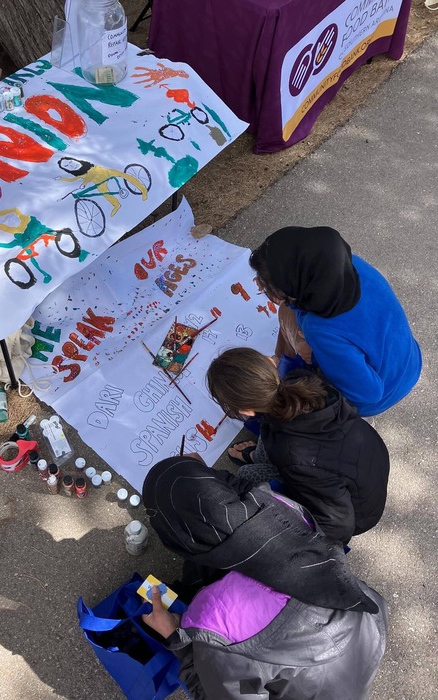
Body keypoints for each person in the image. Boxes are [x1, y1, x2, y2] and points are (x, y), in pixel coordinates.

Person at [142, 457, 388, 700]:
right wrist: (204, 477)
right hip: (363, 649)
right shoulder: (291, 515)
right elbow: (249, 494)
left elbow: (218, 694)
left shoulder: (212, 620)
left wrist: (177, 638)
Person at [207, 347, 390, 543]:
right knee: (266, 439)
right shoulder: (301, 383)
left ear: (246, 410)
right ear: (270, 363)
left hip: (360, 511)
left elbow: (338, 525)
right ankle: (256, 457)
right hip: (366, 465)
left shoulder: (293, 454)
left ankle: (257, 462)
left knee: (245, 476)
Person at [249, 226, 422, 417]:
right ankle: (281, 360)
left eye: (267, 286)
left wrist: (313, 355)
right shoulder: (347, 264)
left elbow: (369, 393)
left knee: (296, 400)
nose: (259, 286)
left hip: (385, 391)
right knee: (288, 310)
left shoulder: (320, 329)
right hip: (407, 360)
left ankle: (347, 424)